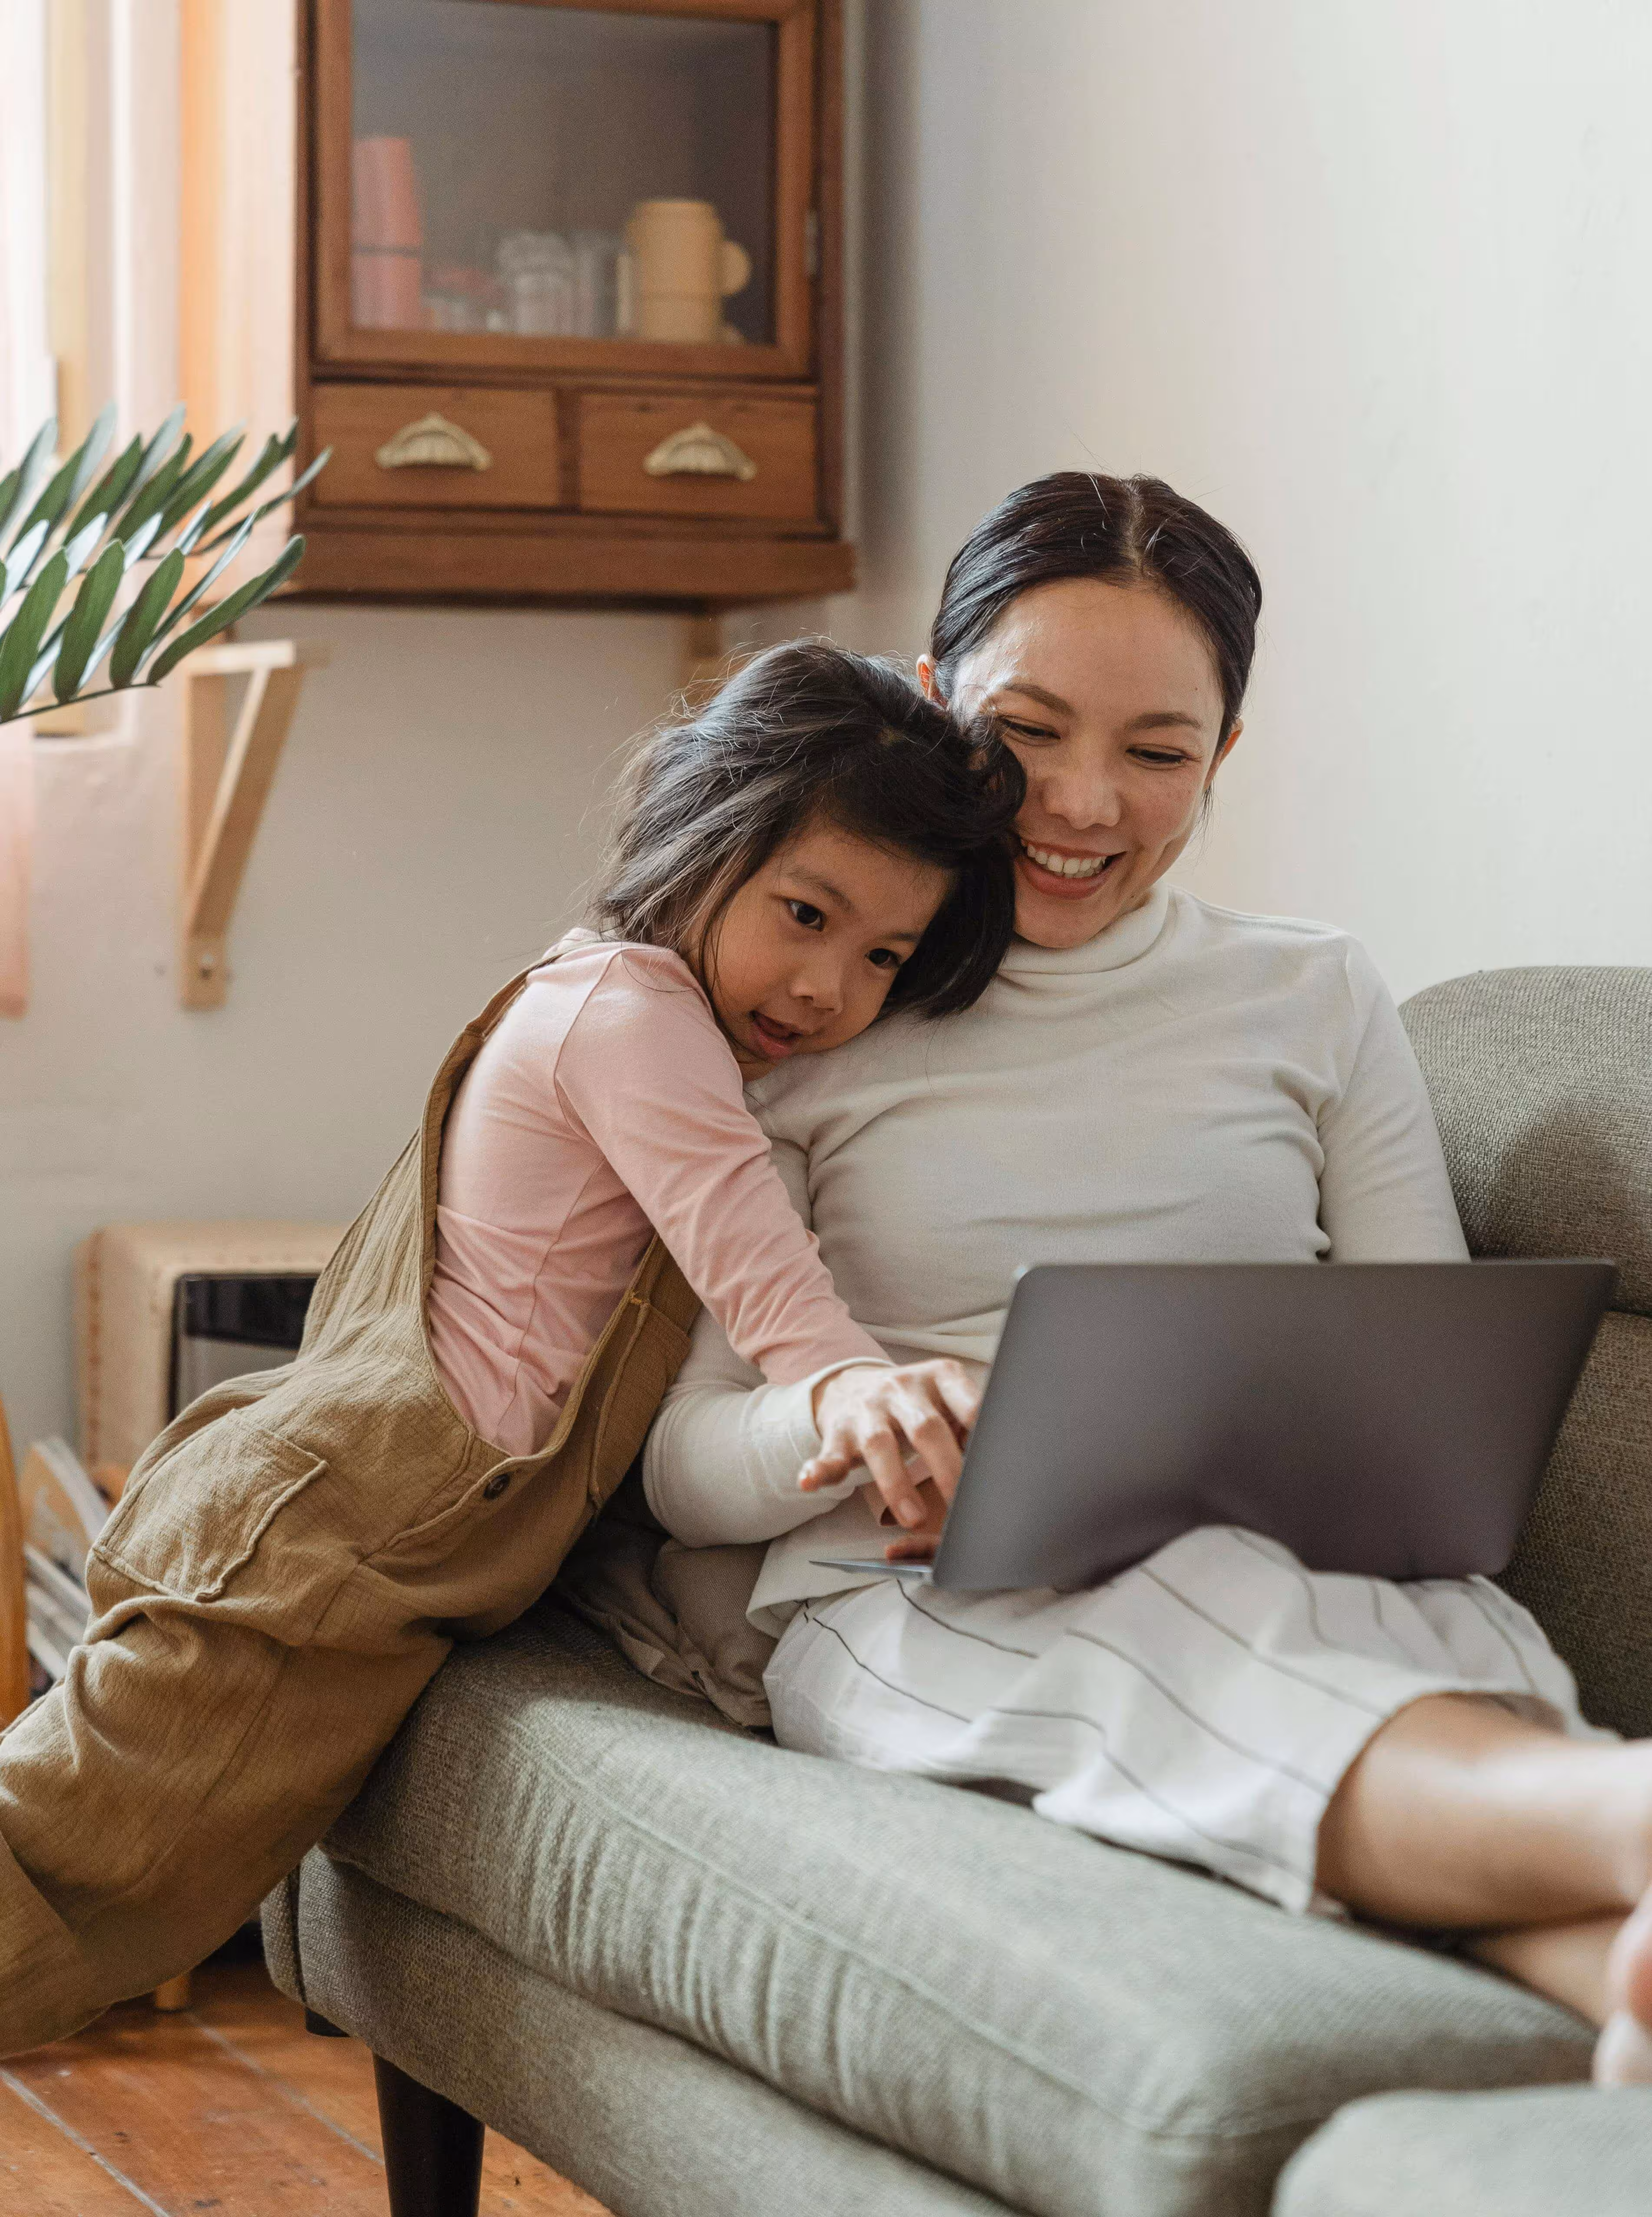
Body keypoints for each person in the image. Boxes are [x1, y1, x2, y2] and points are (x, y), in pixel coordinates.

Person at [643, 473, 1652, 2087]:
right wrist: (850, 1413)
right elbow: (684, 1469)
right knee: (1206, 1625)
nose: (1078, 805)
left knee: (1328, 1624)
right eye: (1024, 732)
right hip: (922, 1594)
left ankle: (1616, 1965)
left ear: (1223, 760)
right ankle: (1625, 1819)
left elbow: (1431, 1375)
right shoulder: (822, 1004)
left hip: (1316, 1559)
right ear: (928, 700)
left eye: (1157, 754)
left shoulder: (1312, 995)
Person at [0, 643, 1021, 2055]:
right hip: (338, 1542)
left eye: (882, 957)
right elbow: (757, 1264)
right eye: (804, 913)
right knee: (70, 1859)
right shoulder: (634, 1021)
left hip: (373, 1545)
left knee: (111, 1880)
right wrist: (860, 1389)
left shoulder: (608, 1002)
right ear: (700, 835)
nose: (827, 985)